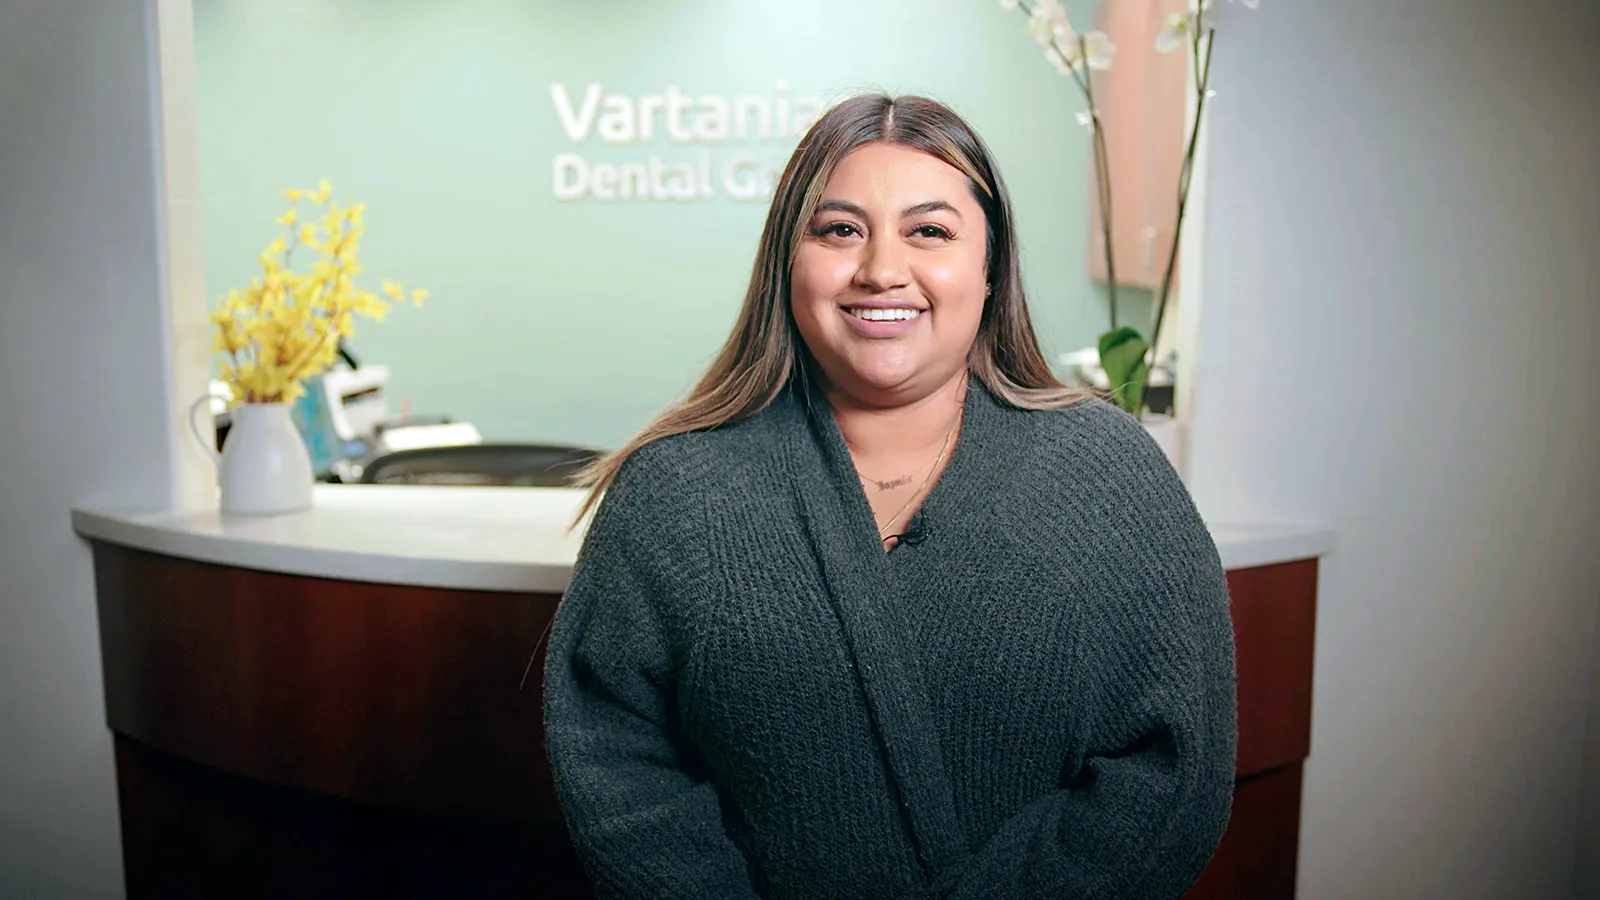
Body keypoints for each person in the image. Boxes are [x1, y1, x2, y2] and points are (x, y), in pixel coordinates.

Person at [543, 93, 1237, 899]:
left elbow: (1170, 766)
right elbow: (616, 756)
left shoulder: (1109, 474)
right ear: (787, 263)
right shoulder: (673, 488)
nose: (880, 269)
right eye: (840, 230)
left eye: (929, 232)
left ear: (990, 268)